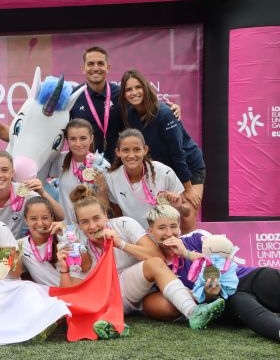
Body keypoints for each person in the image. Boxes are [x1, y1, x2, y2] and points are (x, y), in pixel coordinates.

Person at [66, 184, 225, 330]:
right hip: (109, 296)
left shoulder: (123, 224)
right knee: (166, 296)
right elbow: (77, 287)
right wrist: (67, 264)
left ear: (106, 216)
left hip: (142, 291)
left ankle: (195, 311)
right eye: (85, 222)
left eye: (96, 218)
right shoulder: (77, 244)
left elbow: (156, 257)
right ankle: (111, 320)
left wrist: (120, 244)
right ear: (78, 225)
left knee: (169, 307)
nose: (92, 226)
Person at [145, 205, 280, 342]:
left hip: (244, 276)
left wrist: (186, 253)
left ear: (179, 225)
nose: (169, 232)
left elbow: (224, 261)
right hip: (222, 298)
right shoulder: (157, 267)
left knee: (269, 277)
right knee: (244, 306)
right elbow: (190, 299)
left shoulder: (196, 236)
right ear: (150, 231)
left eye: (173, 226)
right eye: (162, 228)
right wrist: (209, 294)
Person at [120, 70, 205, 232]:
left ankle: (190, 257)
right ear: (123, 94)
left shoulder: (164, 113)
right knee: (166, 220)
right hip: (164, 172)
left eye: (138, 87)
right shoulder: (130, 115)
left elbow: (178, 152)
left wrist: (188, 189)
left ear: (145, 88)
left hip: (189, 168)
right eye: (129, 89)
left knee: (186, 218)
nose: (134, 92)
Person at [70, 46, 180, 163]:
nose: (96, 68)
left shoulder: (121, 94)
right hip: (85, 166)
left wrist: (169, 108)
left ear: (108, 67)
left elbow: (144, 103)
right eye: (90, 64)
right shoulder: (73, 96)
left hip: (121, 164)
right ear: (83, 68)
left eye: (101, 63)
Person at [106, 129, 190, 230]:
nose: (131, 155)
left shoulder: (164, 172)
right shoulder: (111, 179)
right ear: (118, 152)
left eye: (137, 149)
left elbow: (187, 212)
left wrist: (178, 206)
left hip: (165, 236)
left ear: (145, 150)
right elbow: (118, 216)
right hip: (135, 239)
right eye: (125, 150)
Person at [0, 151, 64, 239]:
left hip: (20, 249)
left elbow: (60, 217)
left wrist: (43, 193)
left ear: (12, 173)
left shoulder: (23, 192)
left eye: (5, 170)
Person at [18, 196, 90, 287]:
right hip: (54, 298)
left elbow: (86, 267)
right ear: (26, 220)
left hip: (81, 291)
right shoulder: (20, 245)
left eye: (45, 218)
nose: (40, 223)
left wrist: (69, 237)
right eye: (33, 218)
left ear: (52, 218)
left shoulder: (67, 234)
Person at [47, 118, 108, 225]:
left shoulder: (101, 165)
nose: (78, 144)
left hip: (92, 229)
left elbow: (106, 207)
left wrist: (102, 188)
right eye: (73, 139)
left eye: (83, 138)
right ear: (66, 140)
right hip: (67, 230)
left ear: (91, 138)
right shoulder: (60, 159)